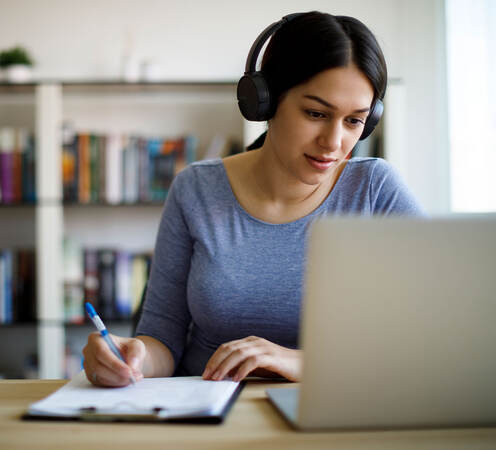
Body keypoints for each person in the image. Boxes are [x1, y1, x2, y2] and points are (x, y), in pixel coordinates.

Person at [82, 11, 424, 387]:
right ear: (265, 101)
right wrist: (128, 357)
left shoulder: (375, 191)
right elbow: (161, 338)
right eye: (315, 113)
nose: (334, 142)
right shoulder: (195, 190)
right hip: (208, 415)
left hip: (332, 416)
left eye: (354, 121)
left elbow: (434, 331)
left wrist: (301, 362)